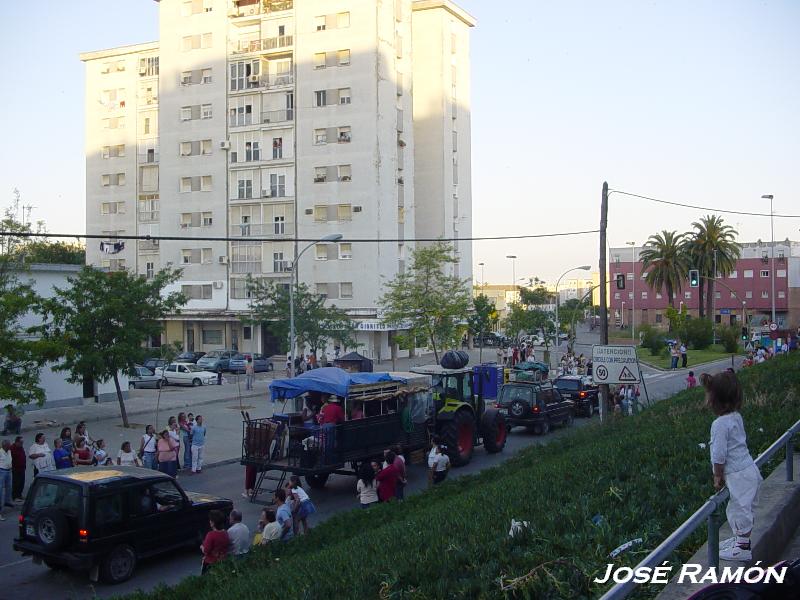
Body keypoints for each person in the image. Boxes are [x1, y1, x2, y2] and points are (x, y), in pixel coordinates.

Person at [702, 371, 762, 561]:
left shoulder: (719, 424)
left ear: (714, 399)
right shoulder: (736, 416)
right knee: (743, 507)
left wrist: (717, 476)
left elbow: (719, 454)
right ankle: (739, 541)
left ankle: (742, 548)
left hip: (738, 474)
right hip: (748, 469)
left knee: (738, 510)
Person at [200, 510, 229, 574]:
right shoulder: (225, 532)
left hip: (211, 563)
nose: (209, 521)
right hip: (222, 561)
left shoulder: (211, 535)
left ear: (213, 523)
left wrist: (202, 547)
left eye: (210, 520)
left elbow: (206, 551)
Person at [11, 436, 26, 503]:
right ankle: (15, 496)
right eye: (20, 442)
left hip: (22, 468)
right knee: (16, 482)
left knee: (21, 482)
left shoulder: (21, 448)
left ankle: (19, 495)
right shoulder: (12, 448)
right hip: (16, 468)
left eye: (22, 442)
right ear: (17, 442)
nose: (22, 444)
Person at [0, 440, 12, 521]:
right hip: (2, 471)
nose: (10, 446)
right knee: (0, 490)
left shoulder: (9, 451)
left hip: (8, 470)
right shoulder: (0, 452)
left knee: (9, 487)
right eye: (9, 445)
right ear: (5, 446)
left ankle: (7, 501)